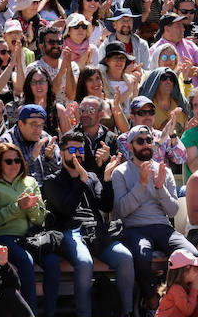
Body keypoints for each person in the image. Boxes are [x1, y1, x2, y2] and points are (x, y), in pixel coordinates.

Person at [42, 130, 135, 317]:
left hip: (96, 231)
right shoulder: (52, 181)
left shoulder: (92, 177)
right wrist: (81, 182)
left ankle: (128, 312)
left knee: (125, 257)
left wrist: (107, 180)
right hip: (70, 231)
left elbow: (106, 205)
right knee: (85, 262)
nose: (77, 153)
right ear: (61, 152)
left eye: (81, 149)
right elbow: (66, 211)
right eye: (72, 149)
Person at [0, 142, 59, 317]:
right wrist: (17, 207)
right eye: (8, 161)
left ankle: (50, 313)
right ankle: (30, 313)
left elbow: (40, 219)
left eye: (17, 160)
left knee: (53, 261)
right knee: (26, 261)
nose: (14, 165)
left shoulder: (30, 181)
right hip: (3, 237)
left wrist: (31, 207)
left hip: (31, 237)